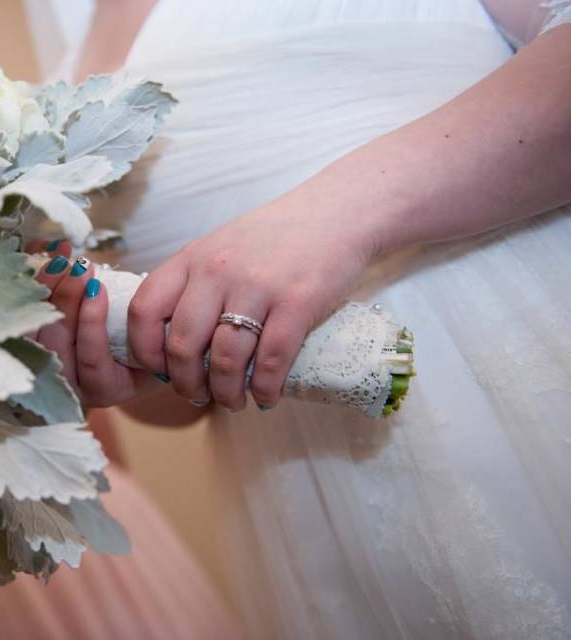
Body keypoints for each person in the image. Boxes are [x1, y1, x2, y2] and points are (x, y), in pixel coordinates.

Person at [28, 0, 571, 637]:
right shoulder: (66, 62)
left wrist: (338, 215)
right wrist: (141, 355)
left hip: (510, 344)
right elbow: (180, 405)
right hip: (313, 494)